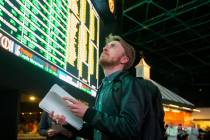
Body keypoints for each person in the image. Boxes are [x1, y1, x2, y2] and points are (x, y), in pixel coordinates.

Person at [50, 34, 164, 140]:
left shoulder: (132, 84)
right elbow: (97, 133)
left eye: (113, 46)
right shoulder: (103, 88)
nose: (104, 48)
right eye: (105, 46)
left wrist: (88, 113)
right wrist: (67, 123)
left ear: (124, 59)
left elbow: (130, 129)